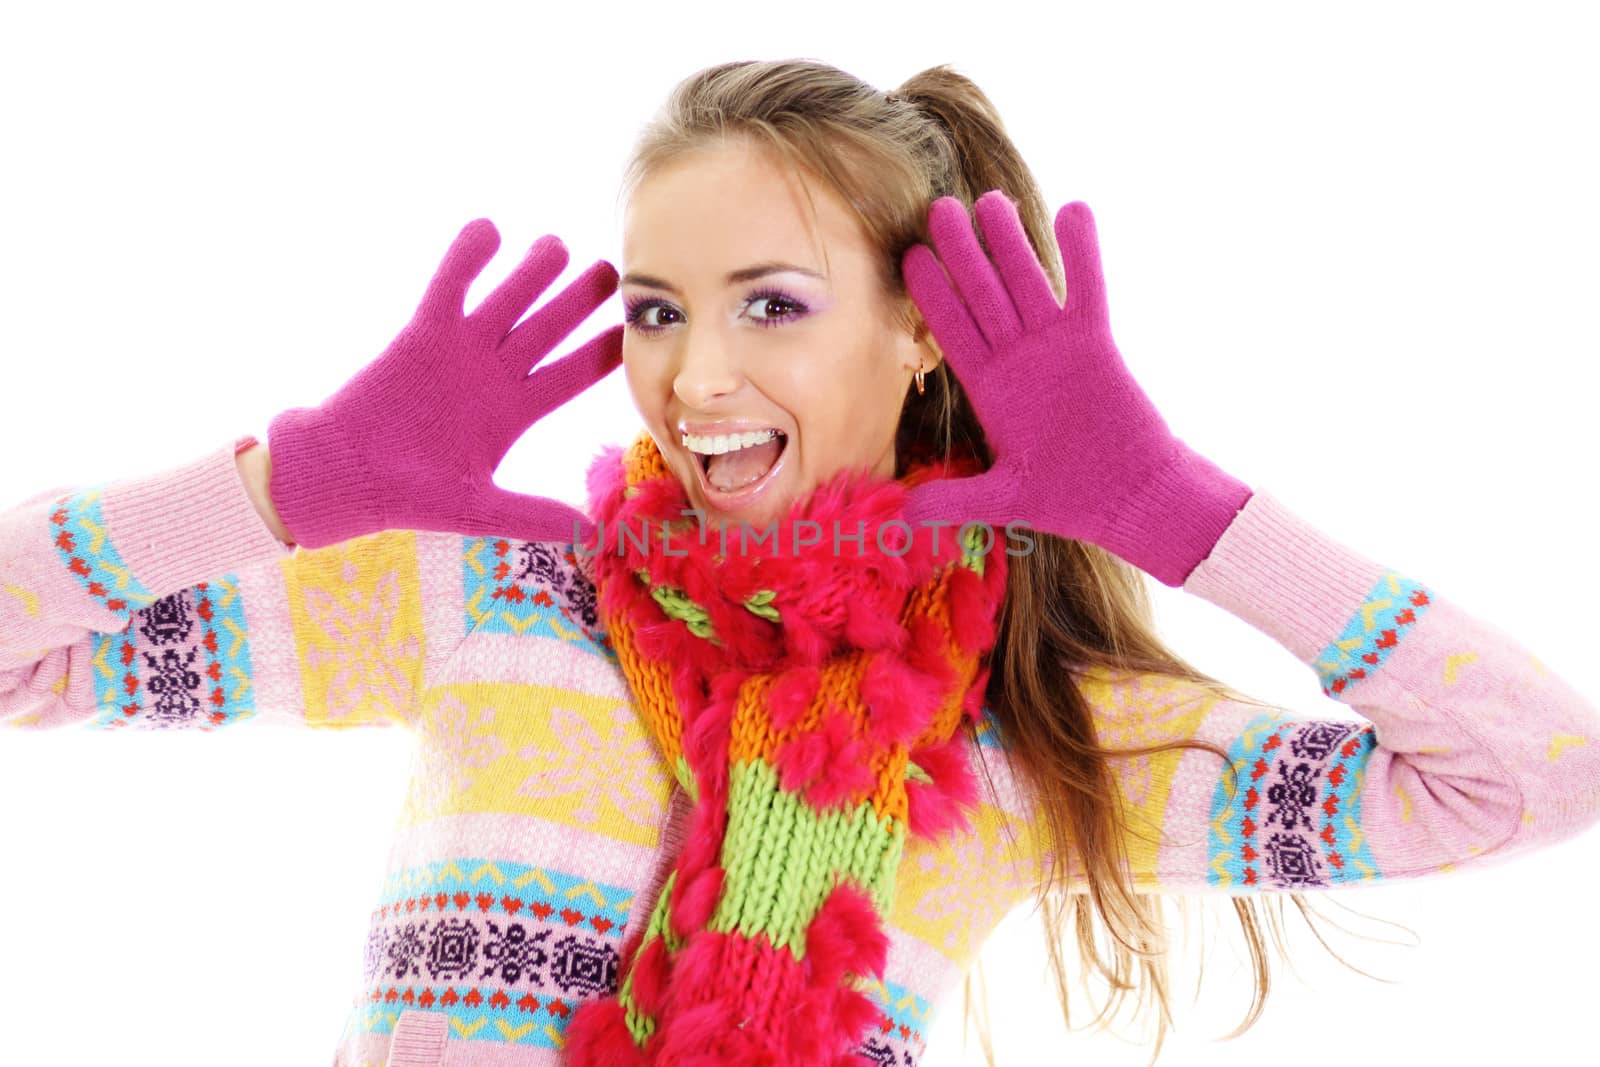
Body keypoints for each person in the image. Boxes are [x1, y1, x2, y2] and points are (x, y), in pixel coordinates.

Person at [3, 58, 1597, 1067]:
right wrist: (287, 490)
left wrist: (1181, 514)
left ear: (921, 331)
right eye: (654, 308)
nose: (695, 380)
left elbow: (1535, 776)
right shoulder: (493, 600)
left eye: (771, 304)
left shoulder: (1024, 741)